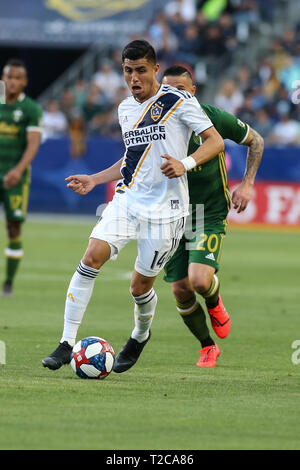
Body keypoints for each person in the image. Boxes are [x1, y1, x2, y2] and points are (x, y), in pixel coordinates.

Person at [42, 40, 224, 373]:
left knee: (140, 287)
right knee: (91, 256)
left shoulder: (178, 101)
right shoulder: (125, 109)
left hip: (168, 211)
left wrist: (186, 163)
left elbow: (215, 141)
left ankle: (140, 335)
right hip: (128, 200)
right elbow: (132, 158)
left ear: (155, 69)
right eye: (128, 71)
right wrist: (96, 179)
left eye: (141, 70)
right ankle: (67, 343)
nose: (134, 77)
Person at [162, 65, 264, 367]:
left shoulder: (212, 118)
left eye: (181, 89)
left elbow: (256, 140)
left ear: (192, 91)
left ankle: (214, 301)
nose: (174, 96)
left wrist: (247, 184)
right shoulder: (154, 124)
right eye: (167, 90)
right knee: (180, 289)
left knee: (199, 280)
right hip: (170, 215)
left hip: (208, 211)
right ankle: (207, 346)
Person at [0, 59, 43, 296]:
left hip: (15, 178)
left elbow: (33, 144)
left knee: (13, 227)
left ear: (24, 82)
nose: (12, 81)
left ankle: (8, 282)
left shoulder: (31, 109)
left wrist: (17, 170)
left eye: (17, 77)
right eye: (8, 76)